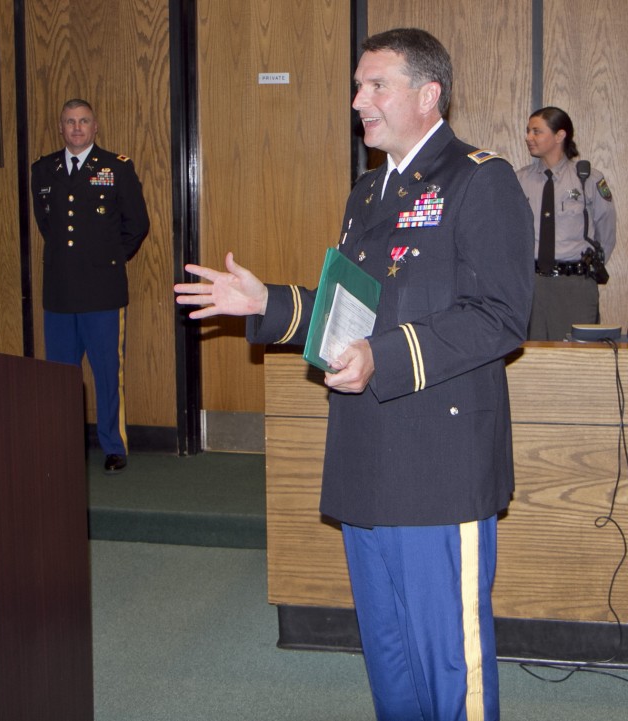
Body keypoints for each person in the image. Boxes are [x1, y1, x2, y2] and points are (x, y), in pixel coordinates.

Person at [175, 28, 534, 721]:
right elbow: (352, 314)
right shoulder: (368, 193)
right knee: (392, 662)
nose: (357, 100)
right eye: (357, 86)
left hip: (438, 469)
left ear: (429, 95)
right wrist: (269, 303)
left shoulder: (479, 180)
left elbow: (497, 318)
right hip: (367, 458)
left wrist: (383, 356)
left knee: (449, 667)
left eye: (376, 85)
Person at [31, 99, 149, 474]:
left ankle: (113, 446)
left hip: (103, 291)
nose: (77, 128)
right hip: (60, 291)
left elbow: (137, 224)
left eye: (83, 121)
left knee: (105, 371)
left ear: (95, 126)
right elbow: (46, 224)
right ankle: (63, 443)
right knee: (60, 374)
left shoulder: (116, 168)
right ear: (60, 127)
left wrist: (110, 258)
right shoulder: (43, 170)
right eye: (69, 122)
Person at [517, 106, 616, 340]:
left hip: (575, 286)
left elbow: (607, 230)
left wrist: (590, 266)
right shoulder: (520, 180)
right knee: (531, 360)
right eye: (528, 131)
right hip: (532, 286)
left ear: (560, 135)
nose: (529, 137)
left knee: (579, 359)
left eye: (537, 131)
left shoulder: (588, 179)